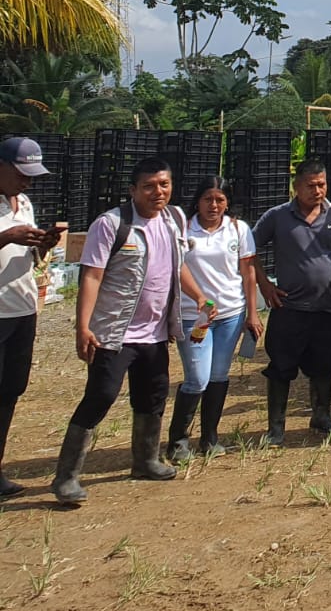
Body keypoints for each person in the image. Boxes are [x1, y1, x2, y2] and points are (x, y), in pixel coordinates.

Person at [53, 158, 197, 505]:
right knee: (101, 396)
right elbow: (92, 275)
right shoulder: (112, 224)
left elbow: (178, 267)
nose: (157, 192)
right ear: (133, 190)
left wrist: (201, 297)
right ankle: (66, 478)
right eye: (148, 186)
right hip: (114, 333)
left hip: (156, 333)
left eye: (163, 184)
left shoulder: (175, 219)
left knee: (153, 395)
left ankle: (146, 461)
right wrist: (83, 327)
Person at [256, 159, 331, 446]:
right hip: (288, 308)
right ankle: (276, 428)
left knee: (324, 364)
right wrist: (265, 285)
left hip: (325, 308)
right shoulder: (277, 217)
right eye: (310, 185)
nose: (317, 190)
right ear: (296, 187)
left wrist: (327, 273)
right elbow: (249, 250)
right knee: (280, 367)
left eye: (322, 184)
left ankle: (322, 416)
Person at [166, 177, 261, 462]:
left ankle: (209, 437)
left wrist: (253, 313)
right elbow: (177, 266)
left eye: (220, 200)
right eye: (208, 199)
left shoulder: (237, 229)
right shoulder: (183, 229)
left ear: (228, 203)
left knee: (219, 375)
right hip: (195, 316)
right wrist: (199, 298)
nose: (214, 205)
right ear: (197, 200)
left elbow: (248, 272)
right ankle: (178, 440)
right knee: (197, 377)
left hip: (230, 314)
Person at [0, 136, 63, 495]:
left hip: (23, 309)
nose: (27, 181)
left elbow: (28, 260)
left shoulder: (24, 203)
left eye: (32, 175)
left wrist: (42, 244)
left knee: (10, 391)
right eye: (21, 173)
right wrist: (7, 235)